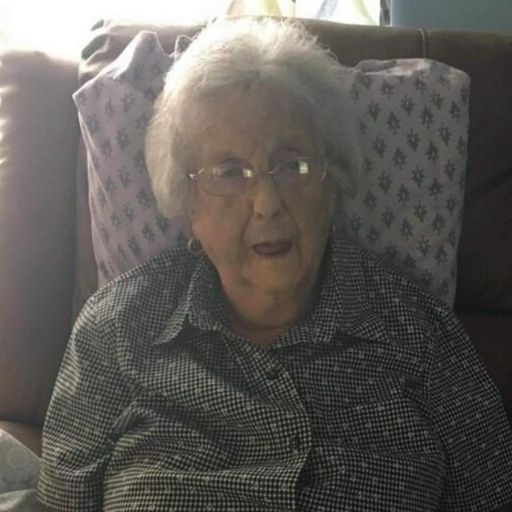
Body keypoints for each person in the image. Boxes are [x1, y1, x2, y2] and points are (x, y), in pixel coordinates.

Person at [37, 18, 512, 511]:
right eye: (229, 172)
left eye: (293, 166)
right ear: (187, 202)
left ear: (332, 182)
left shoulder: (420, 333)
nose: (267, 203)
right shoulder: (115, 329)